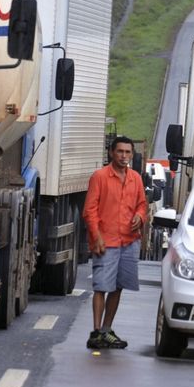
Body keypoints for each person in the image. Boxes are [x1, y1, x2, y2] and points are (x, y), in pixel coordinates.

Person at [82, 136, 147, 350]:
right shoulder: (99, 177)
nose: (124, 156)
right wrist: (97, 236)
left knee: (118, 287)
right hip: (106, 241)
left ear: (132, 155)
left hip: (129, 241)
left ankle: (106, 330)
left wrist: (140, 216)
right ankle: (95, 332)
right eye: (120, 151)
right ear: (111, 153)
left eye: (128, 152)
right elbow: (89, 210)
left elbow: (142, 204)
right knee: (101, 286)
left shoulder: (136, 178)